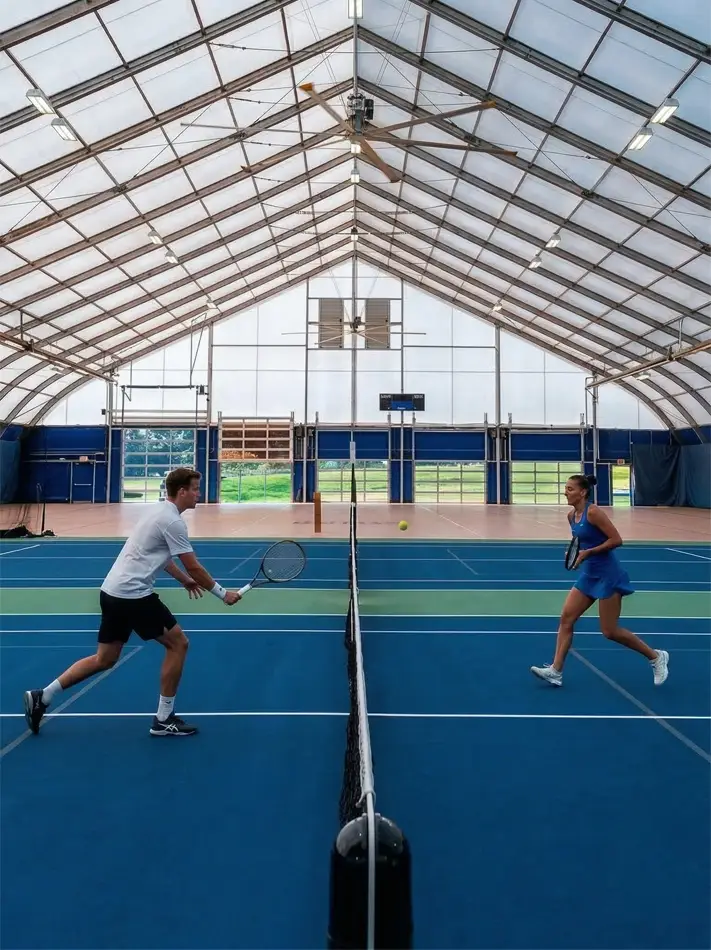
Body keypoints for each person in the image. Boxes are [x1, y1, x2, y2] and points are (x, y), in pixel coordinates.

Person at [23, 467, 242, 738]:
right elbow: (195, 566)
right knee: (178, 644)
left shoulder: (158, 512)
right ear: (182, 491)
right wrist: (223, 593)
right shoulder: (173, 521)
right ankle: (163, 719)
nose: (199, 493)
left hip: (112, 591)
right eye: (195, 489)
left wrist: (182, 580)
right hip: (133, 595)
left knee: (105, 658)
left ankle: (43, 696)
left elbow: (158, 555)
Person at [530, 474, 669, 688]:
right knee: (566, 618)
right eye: (565, 488)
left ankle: (655, 657)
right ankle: (555, 671)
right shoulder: (571, 516)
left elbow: (616, 540)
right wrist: (575, 554)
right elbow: (582, 542)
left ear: (582, 492)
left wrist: (588, 553)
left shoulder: (593, 512)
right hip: (589, 575)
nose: (565, 492)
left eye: (569, 489)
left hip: (608, 575)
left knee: (609, 631)